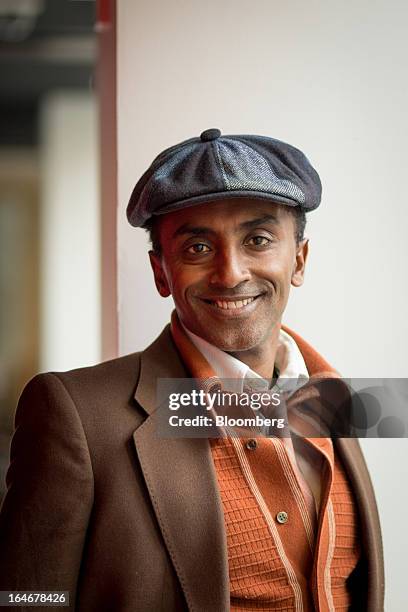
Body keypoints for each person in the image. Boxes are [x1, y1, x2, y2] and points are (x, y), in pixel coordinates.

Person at [0, 129, 384, 611]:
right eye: (198, 248)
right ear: (161, 272)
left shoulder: (336, 396)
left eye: (258, 239)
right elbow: (27, 598)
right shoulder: (74, 413)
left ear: (299, 259)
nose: (231, 273)